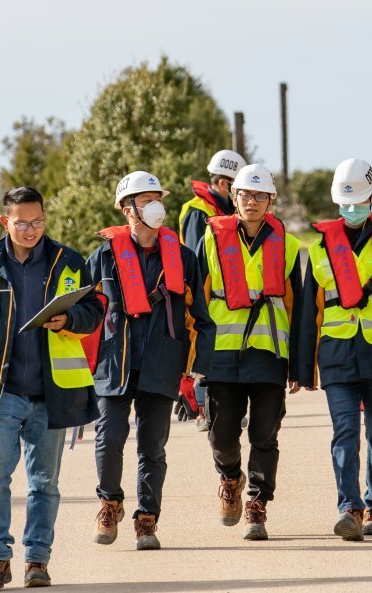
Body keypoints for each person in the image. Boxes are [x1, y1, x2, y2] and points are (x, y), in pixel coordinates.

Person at [0, 186, 102, 589]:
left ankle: (37, 561)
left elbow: (93, 310)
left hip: (52, 394)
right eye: (22, 223)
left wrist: (70, 320)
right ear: (5, 222)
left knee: (44, 482)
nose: (31, 230)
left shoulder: (69, 260)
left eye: (38, 222)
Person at [85, 171, 215, 551]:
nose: (156, 206)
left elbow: (203, 319)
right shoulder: (102, 259)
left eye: (158, 198)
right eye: (146, 200)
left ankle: (146, 518)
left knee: (152, 446)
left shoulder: (185, 258)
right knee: (108, 439)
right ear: (128, 210)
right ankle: (110, 502)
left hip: (162, 362)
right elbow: (84, 316)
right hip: (114, 364)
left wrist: (198, 365)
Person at [297, 158, 372, 541]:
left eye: (358, 202)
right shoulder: (319, 250)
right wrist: (302, 370)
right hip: (337, 355)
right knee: (345, 432)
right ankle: (348, 508)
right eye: (344, 204)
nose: (351, 210)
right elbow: (306, 314)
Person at [194, 163, 302, 541]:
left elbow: (299, 306)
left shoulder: (288, 245)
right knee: (221, 434)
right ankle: (229, 478)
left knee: (264, 434)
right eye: (244, 194)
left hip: (270, 350)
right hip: (222, 352)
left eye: (259, 195)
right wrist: (193, 361)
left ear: (270, 200)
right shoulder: (210, 239)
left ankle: (257, 504)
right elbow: (197, 300)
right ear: (233, 197)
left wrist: (301, 366)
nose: (251, 202)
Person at [179, 149, 248, 432]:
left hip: (223, 294)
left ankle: (213, 407)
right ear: (223, 184)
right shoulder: (199, 211)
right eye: (237, 189)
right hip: (204, 293)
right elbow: (199, 261)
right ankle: (202, 409)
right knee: (204, 345)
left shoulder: (220, 210)